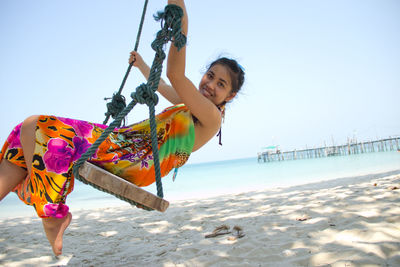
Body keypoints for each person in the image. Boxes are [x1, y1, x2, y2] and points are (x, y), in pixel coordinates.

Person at [0, 0, 244, 257]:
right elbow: (163, 85)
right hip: (123, 142)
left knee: (36, 126)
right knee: (21, 135)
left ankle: (51, 212)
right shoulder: (190, 104)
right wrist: (141, 66)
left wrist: (182, 18)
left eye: (221, 84)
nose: (211, 84)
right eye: (210, 75)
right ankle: (47, 205)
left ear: (230, 95)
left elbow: (175, 74)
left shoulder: (212, 117)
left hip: (136, 158)